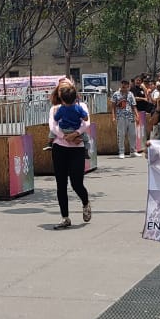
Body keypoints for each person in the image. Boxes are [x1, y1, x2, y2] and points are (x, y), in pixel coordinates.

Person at [48, 79, 90, 229]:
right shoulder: (55, 108)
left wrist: (76, 134)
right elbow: (53, 126)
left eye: (66, 88)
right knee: (61, 184)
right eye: (61, 89)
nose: (63, 91)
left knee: (76, 182)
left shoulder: (81, 106)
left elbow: (86, 123)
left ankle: (85, 202)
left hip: (77, 148)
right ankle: (65, 217)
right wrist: (65, 136)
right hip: (60, 147)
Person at [112, 79, 138, 158]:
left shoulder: (130, 94)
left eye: (126, 84)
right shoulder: (116, 94)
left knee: (133, 134)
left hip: (130, 117)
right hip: (121, 117)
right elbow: (113, 107)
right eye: (123, 84)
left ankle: (133, 151)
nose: (124, 85)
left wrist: (137, 115)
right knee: (121, 134)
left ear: (128, 85)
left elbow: (133, 106)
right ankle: (121, 151)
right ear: (121, 84)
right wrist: (113, 117)